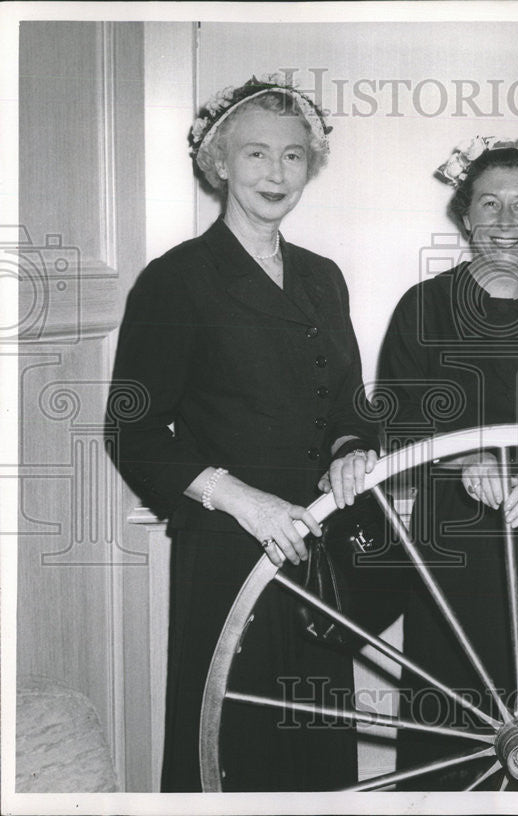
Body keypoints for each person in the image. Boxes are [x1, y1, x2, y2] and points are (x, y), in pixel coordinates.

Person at [107, 76, 379, 792]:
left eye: (293, 156)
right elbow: (132, 432)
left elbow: (349, 404)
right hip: (228, 549)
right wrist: (243, 500)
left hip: (317, 550)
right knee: (230, 749)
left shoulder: (324, 277)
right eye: (256, 154)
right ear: (219, 162)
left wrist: (353, 451)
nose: (276, 173)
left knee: (314, 748)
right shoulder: (177, 280)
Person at [376, 136, 518, 789]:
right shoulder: (421, 308)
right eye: (490, 204)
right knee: (449, 708)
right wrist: (461, 460)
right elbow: (394, 418)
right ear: (466, 216)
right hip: (452, 547)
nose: (506, 222)